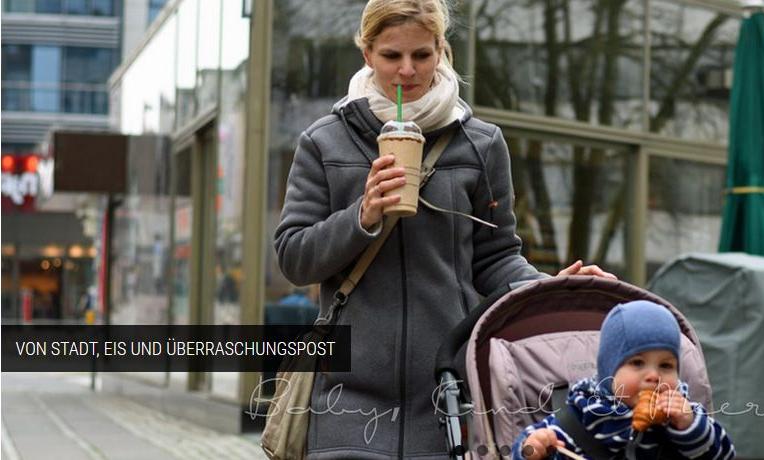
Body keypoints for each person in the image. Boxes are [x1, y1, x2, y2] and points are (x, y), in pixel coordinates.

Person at [272, 0, 615, 457]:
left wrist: (552, 289)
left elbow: (496, 258)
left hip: (449, 396)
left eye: (422, 55)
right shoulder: (323, 141)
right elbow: (294, 256)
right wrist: (363, 215)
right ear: (367, 54)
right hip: (345, 402)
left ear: (441, 50)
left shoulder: (481, 144)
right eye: (392, 56)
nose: (407, 71)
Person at [512, 301, 735, 460]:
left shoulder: (684, 416)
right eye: (637, 363)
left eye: (666, 366)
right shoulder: (581, 414)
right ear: (609, 370)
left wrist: (690, 425)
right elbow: (529, 449)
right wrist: (534, 449)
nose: (654, 376)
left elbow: (724, 454)